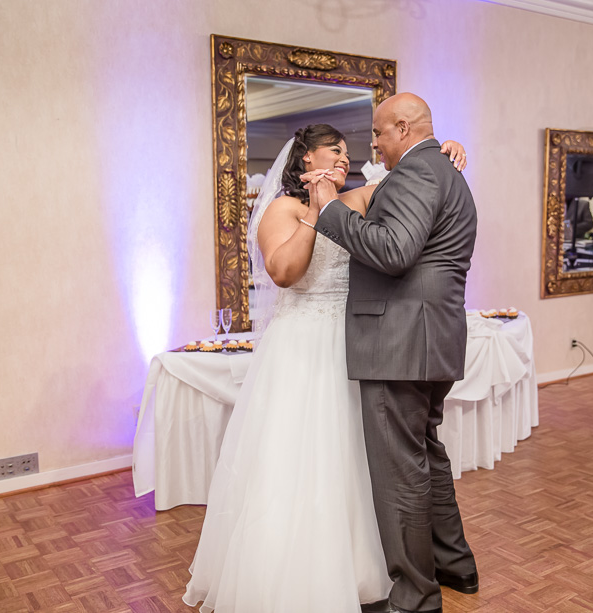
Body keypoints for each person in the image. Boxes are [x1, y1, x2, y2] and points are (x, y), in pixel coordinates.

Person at [182, 124, 468, 613]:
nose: (344, 158)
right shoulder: (283, 209)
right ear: (303, 160)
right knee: (301, 458)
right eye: (332, 151)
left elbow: (414, 176)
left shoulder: (356, 199)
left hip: (354, 344)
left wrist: (444, 149)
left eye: (346, 153)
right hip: (300, 347)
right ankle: (295, 574)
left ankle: (367, 567)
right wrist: (316, 210)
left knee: (360, 459)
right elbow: (284, 272)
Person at [306, 93, 478, 613]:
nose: (373, 143)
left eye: (379, 133)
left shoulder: (417, 173)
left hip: (399, 342)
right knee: (426, 454)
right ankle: (455, 566)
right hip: (429, 338)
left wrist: (329, 211)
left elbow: (394, 250)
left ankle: (414, 597)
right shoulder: (444, 169)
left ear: (403, 128)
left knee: (401, 470)